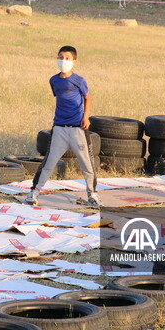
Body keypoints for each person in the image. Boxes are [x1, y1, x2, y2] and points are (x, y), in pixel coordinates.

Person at [25, 45, 101, 208]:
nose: (63, 61)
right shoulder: (54, 80)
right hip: (59, 128)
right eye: (60, 57)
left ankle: (92, 195)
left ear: (74, 61)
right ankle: (34, 192)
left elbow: (88, 98)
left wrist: (86, 117)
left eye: (67, 58)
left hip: (78, 128)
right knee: (49, 162)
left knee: (86, 164)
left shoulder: (79, 80)